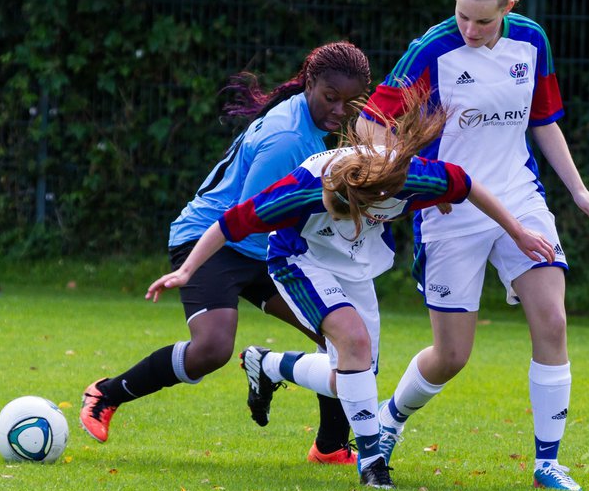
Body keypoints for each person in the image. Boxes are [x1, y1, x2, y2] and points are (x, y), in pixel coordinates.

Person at [146, 100, 556, 490]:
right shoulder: (303, 188)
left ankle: (269, 365)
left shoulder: (412, 176)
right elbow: (230, 223)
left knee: (354, 379)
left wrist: (518, 232)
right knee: (354, 343)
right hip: (300, 262)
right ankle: (373, 464)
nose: (348, 221)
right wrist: (186, 270)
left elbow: (467, 185)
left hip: (356, 268)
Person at [358, 0, 589, 491]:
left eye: (483, 20)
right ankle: (390, 418)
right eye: (462, 15)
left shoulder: (532, 41)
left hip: (519, 197)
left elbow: (543, 121)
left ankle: (547, 463)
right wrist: (409, 177)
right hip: (450, 211)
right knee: (452, 356)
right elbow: (371, 121)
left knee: (553, 321)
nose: (469, 29)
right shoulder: (432, 48)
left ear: (509, 7)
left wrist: (579, 190)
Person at [79, 42, 372, 465]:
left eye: (350, 101)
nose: (341, 110)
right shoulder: (289, 140)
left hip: (265, 247)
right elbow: (250, 216)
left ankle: (329, 446)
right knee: (212, 348)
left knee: (337, 335)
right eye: (331, 97)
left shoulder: (305, 118)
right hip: (213, 239)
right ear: (310, 83)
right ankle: (106, 393)